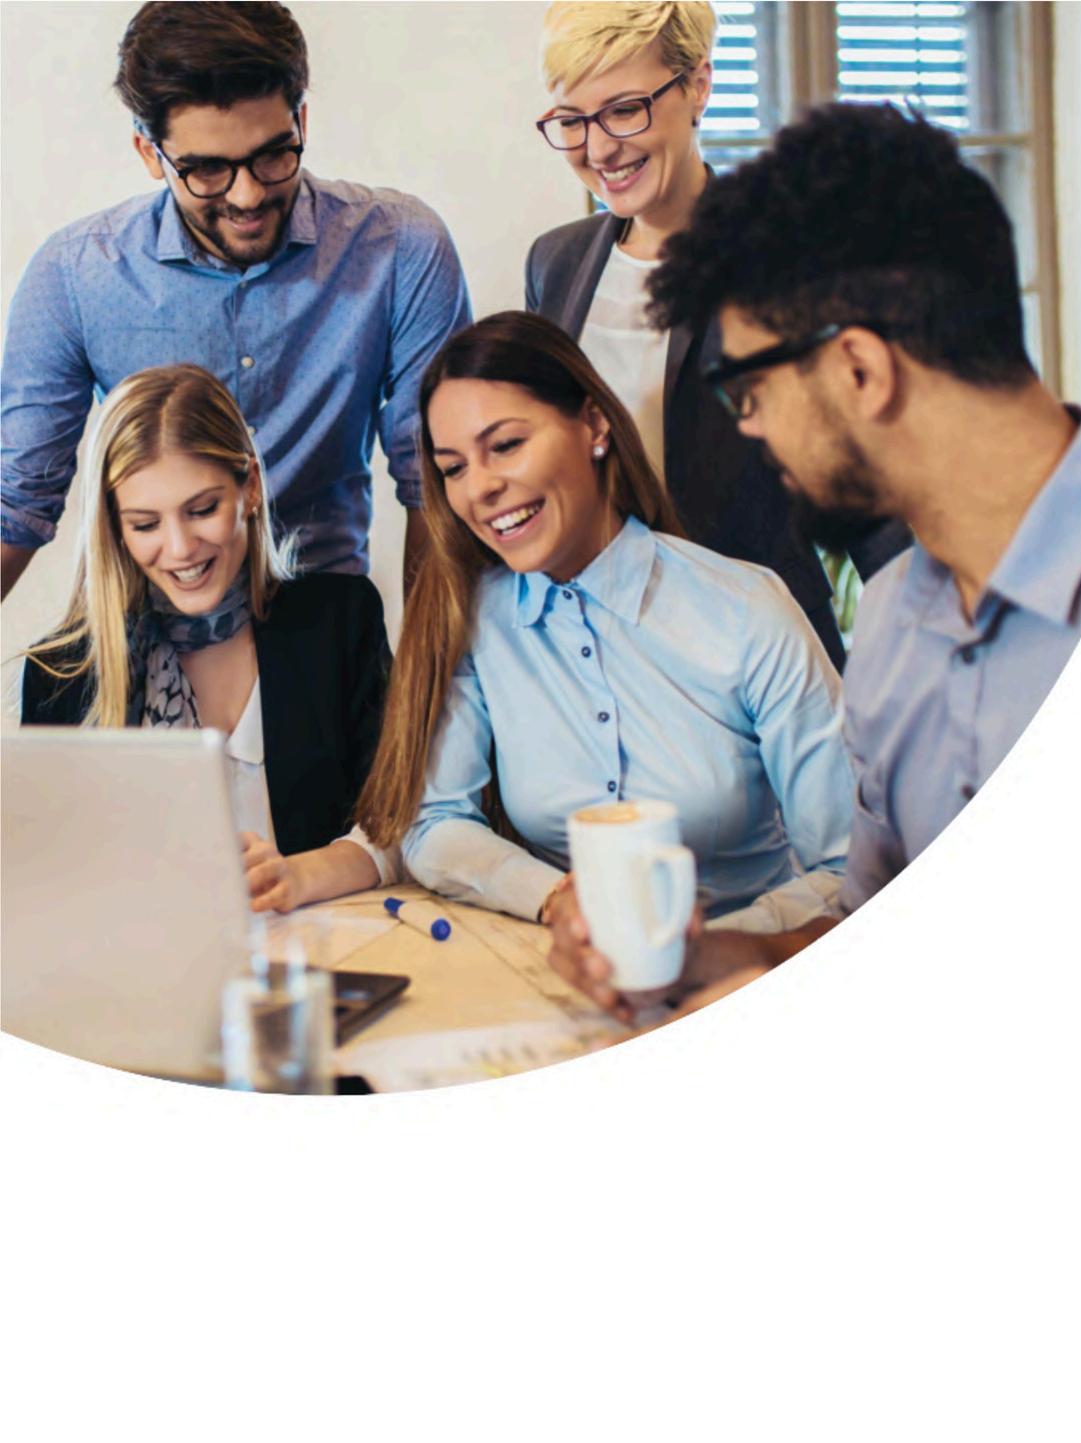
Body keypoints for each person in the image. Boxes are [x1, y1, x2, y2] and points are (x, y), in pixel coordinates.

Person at [546, 101, 1081, 1018]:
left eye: (747, 391)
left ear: (860, 371)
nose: (747, 429)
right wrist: (712, 960)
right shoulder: (897, 624)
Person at [356, 312, 854, 932]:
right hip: (565, 964)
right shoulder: (477, 619)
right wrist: (555, 897)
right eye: (453, 468)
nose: (478, 488)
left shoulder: (748, 610)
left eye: (505, 446)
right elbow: (436, 824)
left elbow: (848, 868)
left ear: (594, 425)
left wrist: (707, 951)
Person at [1, 0, 471, 602]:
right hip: (148, 623)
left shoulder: (400, 248)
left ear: (302, 122)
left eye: (273, 155)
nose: (247, 196)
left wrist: (429, 661)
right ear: (149, 153)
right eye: (207, 170)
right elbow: (19, 499)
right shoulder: (74, 275)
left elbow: (436, 483)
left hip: (325, 619)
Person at [524, 2, 910, 671]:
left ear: (698, 85)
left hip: (761, 665)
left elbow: (875, 494)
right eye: (573, 120)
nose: (598, 149)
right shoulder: (555, 263)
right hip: (602, 663)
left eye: (623, 110)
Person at [20, 365, 397, 916]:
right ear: (115, 528)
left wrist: (300, 875)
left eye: (201, 510)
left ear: (250, 488)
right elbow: (52, 880)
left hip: (323, 954)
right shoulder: (62, 674)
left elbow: (401, 821)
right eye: (145, 524)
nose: (179, 549)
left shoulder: (339, 621)